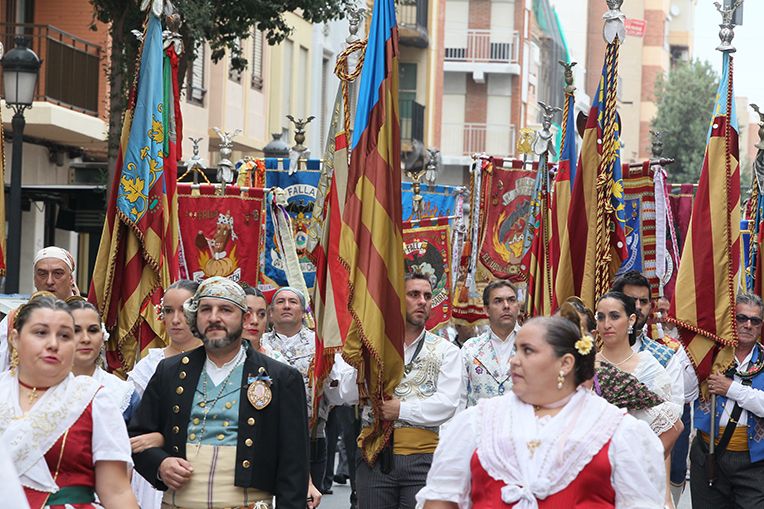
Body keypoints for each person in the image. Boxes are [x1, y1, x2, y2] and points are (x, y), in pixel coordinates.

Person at [416, 317, 665, 507]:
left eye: (527, 350)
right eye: (515, 350)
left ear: (565, 363)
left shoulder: (615, 428)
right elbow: (441, 499)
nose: (513, 360)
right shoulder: (479, 421)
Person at [129, 276, 310, 508]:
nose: (214, 318)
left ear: (244, 318)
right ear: (196, 316)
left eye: (225, 309)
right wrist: (160, 465)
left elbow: (293, 465)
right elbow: (138, 438)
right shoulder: (169, 371)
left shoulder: (282, 377)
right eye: (206, 309)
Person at [334, 272, 463, 508]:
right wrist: (362, 358)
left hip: (423, 458)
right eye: (414, 294)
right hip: (374, 455)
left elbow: (447, 404)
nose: (422, 301)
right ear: (397, 301)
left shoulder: (447, 351)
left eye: (427, 296)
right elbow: (346, 395)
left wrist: (400, 410)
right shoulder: (372, 346)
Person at [0, 294, 137, 508]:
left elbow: (117, 492)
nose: (53, 344)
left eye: (64, 336)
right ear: (15, 338)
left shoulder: (93, 399)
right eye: (41, 333)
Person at [595, 291, 683, 509]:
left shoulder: (650, 369)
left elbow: (670, 427)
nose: (607, 324)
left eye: (614, 316)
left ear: (631, 320)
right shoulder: (584, 366)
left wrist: (639, 468)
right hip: (593, 477)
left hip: (638, 482)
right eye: (600, 317)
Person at [127, 279, 202, 509]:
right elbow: (134, 428)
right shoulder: (150, 365)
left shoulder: (214, 363)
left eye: (185, 310)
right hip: (156, 474)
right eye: (169, 311)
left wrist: (163, 437)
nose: (176, 319)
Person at [689, 293, 764, 507]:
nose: (748, 325)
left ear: (760, 326)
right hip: (708, 455)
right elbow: (682, 391)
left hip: (754, 462)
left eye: (755, 321)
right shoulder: (709, 356)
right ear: (731, 320)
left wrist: (731, 389)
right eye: (741, 318)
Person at [260, 287, 329, 492]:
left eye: (293, 301)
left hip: (310, 436)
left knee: (306, 500)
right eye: (280, 302)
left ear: (303, 311)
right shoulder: (257, 344)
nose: (287, 306)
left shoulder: (322, 345)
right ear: (271, 312)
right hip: (265, 437)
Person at [0, 246, 80, 371]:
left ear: (71, 279)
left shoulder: (87, 315)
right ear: (34, 280)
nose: (49, 281)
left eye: (58, 274)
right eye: (42, 274)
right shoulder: (13, 319)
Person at [68, 299, 140, 422]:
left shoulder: (123, 393)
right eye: (76, 330)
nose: (85, 339)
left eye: (92, 330)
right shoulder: (41, 389)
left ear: (102, 338)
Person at [461, 280, 521, 407]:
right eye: (498, 301)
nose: (506, 306)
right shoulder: (470, 349)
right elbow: (459, 398)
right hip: (479, 424)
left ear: (518, 306)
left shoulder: (534, 346)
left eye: (511, 300)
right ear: (486, 310)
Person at [241, 285, 284, 362]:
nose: (255, 321)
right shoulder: (216, 357)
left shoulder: (275, 360)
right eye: (247, 313)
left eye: (261, 314)